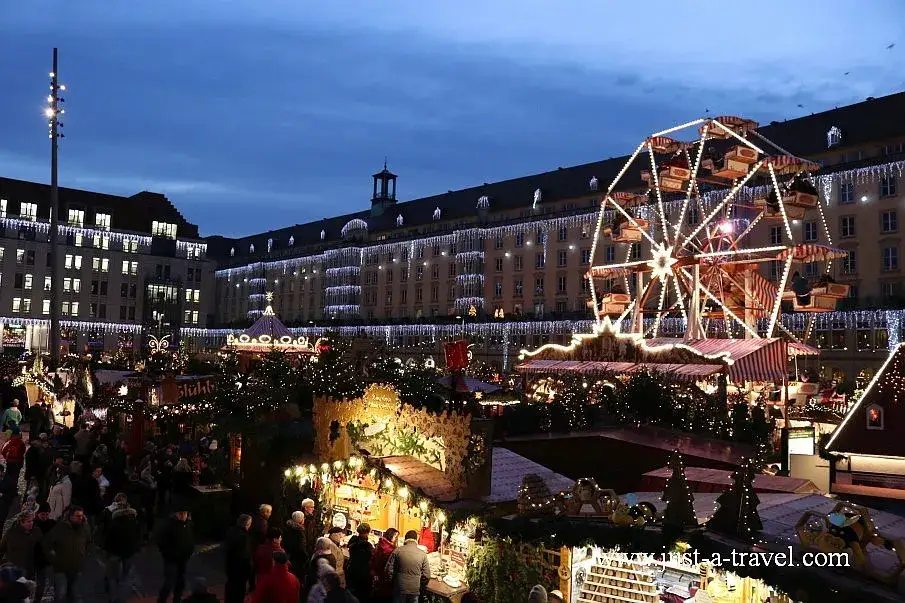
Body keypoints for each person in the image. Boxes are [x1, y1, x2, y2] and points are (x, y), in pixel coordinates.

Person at [43, 505, 91, 603]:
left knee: (75, 594)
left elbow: (89, 542)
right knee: (61, 593)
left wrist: (86, 554)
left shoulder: (85, 527)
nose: (80, 518)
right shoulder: (60, 528)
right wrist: (52, 557)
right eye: (77, 516)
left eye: (81, 515)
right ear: (71, 516)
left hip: (77, 566)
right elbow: (46, 543)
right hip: (61, 567)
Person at [103, 496, 141, 603]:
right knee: (126, 577)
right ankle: (122, 598)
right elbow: (138, 536)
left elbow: (108, 539)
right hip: (129, 552)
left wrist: (106, 550)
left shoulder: (115, 523)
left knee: (113, 577)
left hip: (114, 553)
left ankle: (114, 598)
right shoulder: (134, 522)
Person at [156, 505, 195, 603]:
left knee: (180, 582)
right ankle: (162, 600)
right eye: (180, 514)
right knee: (169, 582)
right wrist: (169, 554)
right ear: (176, 514)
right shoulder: (168, 526)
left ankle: (177, 599)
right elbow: (161, 542)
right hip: (171, 560)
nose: (183, 516)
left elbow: (190, 540)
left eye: (184, 513)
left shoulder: (188, 524)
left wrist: (190, 551)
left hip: (183, 559)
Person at [384, 530, 430, 603]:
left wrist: (393, 583)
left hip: (399, 588)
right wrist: (419, 584)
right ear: (416, 540)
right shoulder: (423, 554)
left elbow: (388, 570)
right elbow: (426, 575)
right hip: (414, 590)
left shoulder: (397, 551)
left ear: (405, 539)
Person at [0, 511, 43, 580]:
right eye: (28, 521)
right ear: (21, 522)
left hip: (29, 570)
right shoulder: (11, 533)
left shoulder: (36, 532)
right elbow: (2, 549)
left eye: (32, 521)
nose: (31, 523)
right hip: (13, 570)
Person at [224, 514, 253, 603]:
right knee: (238, 593)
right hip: (240, 570)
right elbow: (245, 555)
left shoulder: (231, 531)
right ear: (247, 524)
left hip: (230, 566)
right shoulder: (244, 537)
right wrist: (249, 569)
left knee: (230, 588)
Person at [34, 501, 57, 603]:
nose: (45, 516)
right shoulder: (33, 524)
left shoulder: (53, 524)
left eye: (47, 514)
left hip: (48, 558)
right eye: (42, 514)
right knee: (40, 582)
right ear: (37, 514)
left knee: (50, 581)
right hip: (37, 558)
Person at [346, 523, 374, 603]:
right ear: (367, 532)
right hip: (363, 574)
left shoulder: (353, 540)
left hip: (352, 570)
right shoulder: (367, 545)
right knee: (362, 595)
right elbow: (371, 558)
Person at [371, 528, 398, 603]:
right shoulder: (389, 550)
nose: (396, 539)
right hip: (384, 578)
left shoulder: (381, 543)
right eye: (395, 537)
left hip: (377, 576)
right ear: (390, 536)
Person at [283, 511, 306, 581]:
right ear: (300, 519)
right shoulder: (299, 532)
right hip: (297, 559)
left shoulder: (287, 528)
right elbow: (301, 547)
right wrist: (305, 557)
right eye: (303, 518)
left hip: (288, 556)